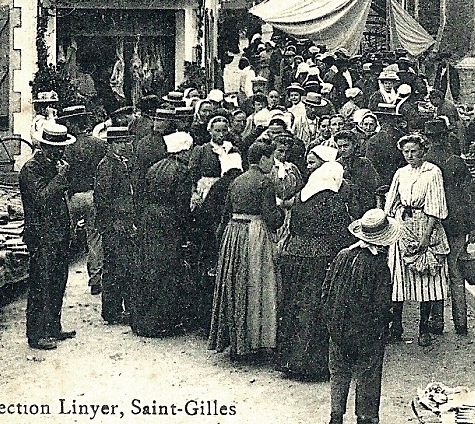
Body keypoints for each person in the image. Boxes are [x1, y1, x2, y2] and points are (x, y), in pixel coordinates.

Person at [318, 209, 397, 424]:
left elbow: (326, 290)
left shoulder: (343, 255)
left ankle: (335, 419)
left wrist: (332, 320)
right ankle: (365, 420)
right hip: (366, 331)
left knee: (339, 371)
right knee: (368, 372)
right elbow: (382, 303)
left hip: (338, 327)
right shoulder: (378, 265)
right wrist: (384, 325)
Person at [277, 159, 352, 380]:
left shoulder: (302, 195)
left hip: (294, 254)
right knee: (315, 309)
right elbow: (339, 233)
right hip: (318, 258)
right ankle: (311, 364)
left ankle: (288, 359)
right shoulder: (331, 199)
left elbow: (293, 225)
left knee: (293, 305)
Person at [209, 141, 284, 359]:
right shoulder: (265, 183)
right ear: (263, 159)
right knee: (258, 284)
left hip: (234, 234)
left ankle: (238, 340)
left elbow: (225, 215)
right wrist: (280, 211)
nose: (273, 163)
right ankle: (256, 341)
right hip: (255, 234)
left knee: (237, 284)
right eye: (271, 158)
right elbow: (272, 219)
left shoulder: (236, 181)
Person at [384, 133, 451, 347]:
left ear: (423, 151)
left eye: (414, 151)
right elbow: (390, 201)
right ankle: (397, 326)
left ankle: (424, 327)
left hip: (425, 223)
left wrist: (426, 236)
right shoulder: (401, 173)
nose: (410, 155)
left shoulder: (432, 172)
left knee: (426, 279)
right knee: (398, 276)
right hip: (403, 225)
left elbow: (436, 207)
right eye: (406, 152)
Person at [19, 122, 76, 350]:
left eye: (62, 148)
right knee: (41, 285)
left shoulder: (53, 166)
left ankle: (53, 326)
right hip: (41, 236)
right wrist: (61, 178)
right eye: (55, 148)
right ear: (43, 147)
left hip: (59, 234)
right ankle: (36, 334)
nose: (60, 152)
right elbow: (42, 198)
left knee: (57, 282)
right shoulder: (30, 170)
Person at [132, 132, 194, 337]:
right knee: (167, 272)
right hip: (169, 222)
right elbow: (182, 206)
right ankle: (160, 322)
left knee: (149, 268)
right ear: (183, 151)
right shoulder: (182, 171)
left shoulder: (154, 167)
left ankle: (142, 319)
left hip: (151, 220)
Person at [423, 117, 475, 335]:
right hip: (456, 224)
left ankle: (436, 322)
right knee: (456, 274)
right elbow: (470, 195)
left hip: (432, 224)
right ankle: (461, 323)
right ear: (446, 137)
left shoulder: (423, 163)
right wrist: (473, 227)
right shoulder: (456, 161)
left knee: (435, 274)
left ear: (427, 139)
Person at [59, 105, 107, 295]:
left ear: (71, 123)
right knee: (94, 238)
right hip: (93, 195)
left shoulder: (65, 147)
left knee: (63, 237)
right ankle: (95, 280)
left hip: (71, 197)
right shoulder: (99, 144)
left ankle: (58, 279)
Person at [93, 125, 137, 325]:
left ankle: (120, 309)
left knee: (123, 267)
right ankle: (111, 311)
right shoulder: (106, 166)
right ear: (110, 145)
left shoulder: (120, 163)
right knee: (113, 268)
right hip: (114, 225)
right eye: (118, 143)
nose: (122, 146)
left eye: (124, 142)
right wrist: (113, 223)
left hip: (123, 223)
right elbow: (102, 199)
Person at [333, 128, 380, 217]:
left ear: (354, 145)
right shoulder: (336, 166)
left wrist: (378, 209)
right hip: (347, 211)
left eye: (346, 146)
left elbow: (377, 188)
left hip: (367, 208)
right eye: (339, 146)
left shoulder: (365, 163)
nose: (342, 149)